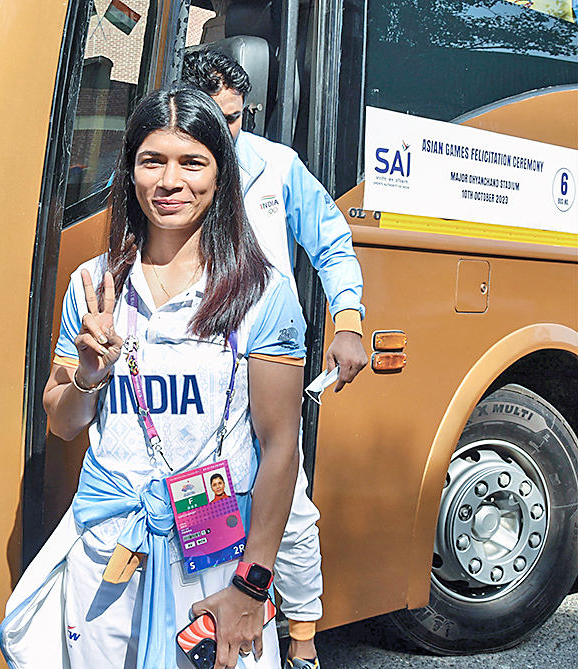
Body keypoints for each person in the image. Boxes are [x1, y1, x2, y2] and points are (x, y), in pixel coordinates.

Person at [0, 87, 305, 669]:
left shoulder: (263, 293)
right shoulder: (95, 285)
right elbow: (63, 423)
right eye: (151, 161)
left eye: (192, 162)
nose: (169, 182)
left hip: (216, 554)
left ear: (222, 174)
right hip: (108, 547)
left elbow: (279, 446)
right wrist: (90, 373)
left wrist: (252, 585)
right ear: (131, 171)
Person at [182, 49, 369, 669]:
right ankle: (205, 628)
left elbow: (332, 241)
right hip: (189, 368)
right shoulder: (166, 176)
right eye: (215, 119)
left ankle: (304, 647)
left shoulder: (276, 167)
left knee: (288, 507)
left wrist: (347, 320)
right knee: (196, 501)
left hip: (264, 365)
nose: (227, 134)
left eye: (236, 119)